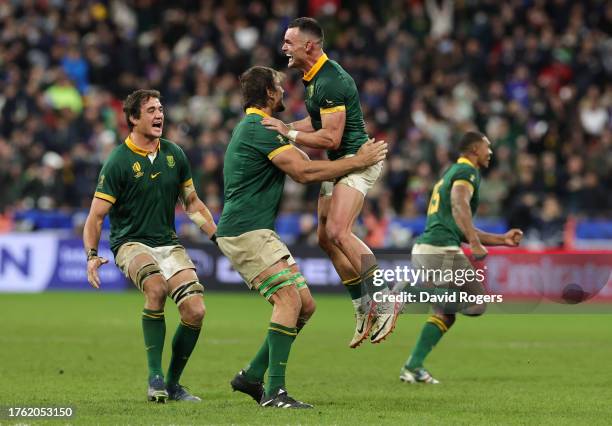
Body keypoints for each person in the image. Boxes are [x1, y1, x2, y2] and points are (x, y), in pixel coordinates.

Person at [220, 66, 387, 408]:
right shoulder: (259, 128)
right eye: (278, 86)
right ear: (268, 93)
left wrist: (305, 134)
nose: (283, 91)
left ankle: (251, 375)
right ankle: (276, 393)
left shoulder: (263, 128)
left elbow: (308, 152)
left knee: (305, 306)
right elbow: (305, 171)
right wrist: (358, 161)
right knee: (289, 301)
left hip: (256, 229)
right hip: (246, 230)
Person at [262, 17, 398, 349]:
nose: (283, 48)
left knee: (339, 231)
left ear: (309, 45)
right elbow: (316, 120)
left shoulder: (332, 81)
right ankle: (363, 307)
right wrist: (281, 125)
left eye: (288, 42)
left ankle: (385, 296)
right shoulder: (313, 79)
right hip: (339, 165)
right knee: (325, 238)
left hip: (357, 163)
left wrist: (289, 134)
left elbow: (330, 135)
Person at [83, 89, 217, 403]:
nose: (159, 115)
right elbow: (96, 217)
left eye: (160, 109)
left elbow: (193, 203)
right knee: (155, 288)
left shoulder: (175, 154)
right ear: (132, 118)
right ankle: (154, 377)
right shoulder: (118, 161)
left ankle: (172, 384)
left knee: (196, 310)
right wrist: (91, 255)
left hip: (168, 244)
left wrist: (218, 236)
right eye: (151, 110)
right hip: (130, 243)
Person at [399, 131, 523, 384]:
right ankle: (409, 293)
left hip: (430, 248)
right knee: (476, 303)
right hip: (440, 250)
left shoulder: (451, 172)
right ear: (474, 149)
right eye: (487, 147)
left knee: (446, 313)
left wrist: (502, 240)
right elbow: (459, 204)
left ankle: (413, 366)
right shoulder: (467, 171)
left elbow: (460, 223)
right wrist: (475, 243)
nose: (491, 152)